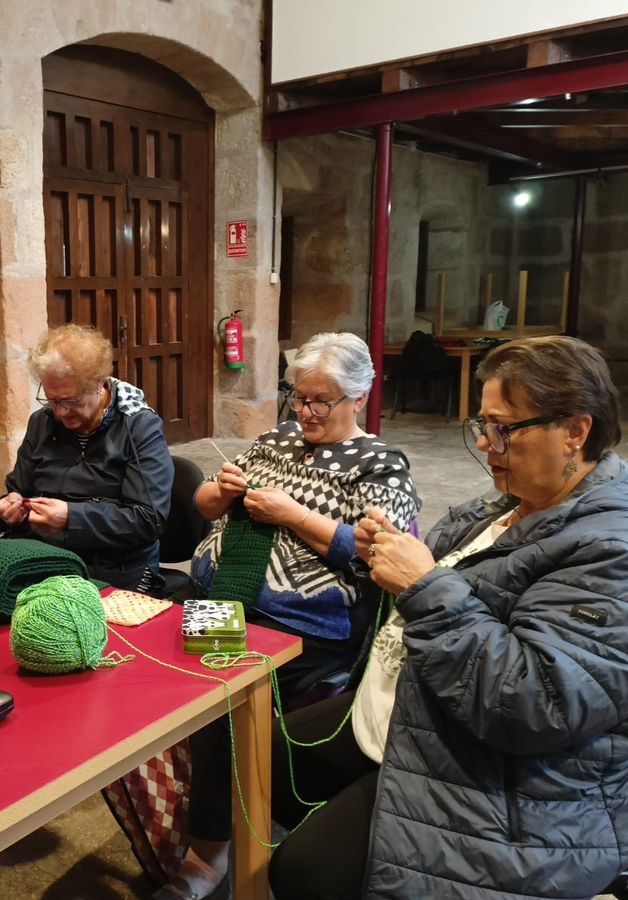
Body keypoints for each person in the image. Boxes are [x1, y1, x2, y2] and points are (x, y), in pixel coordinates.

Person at [267, 335, 628, 900]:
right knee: (258, 757)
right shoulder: (508, 505)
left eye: (503, 428)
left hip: (529, 790)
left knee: (305, 871)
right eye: (482, 424)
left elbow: (536, 704)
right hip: (428, 712)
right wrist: (386, 559)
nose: (485, 442)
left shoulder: (625, 558)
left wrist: (422, 586)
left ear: (574, 430)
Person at [160, 332, 420, 900]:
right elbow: (203, 506)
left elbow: (381, 557)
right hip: (222, 598)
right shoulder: (276, 439)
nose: (306, 412)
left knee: (214, 691)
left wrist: (294, 515)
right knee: (154, 658)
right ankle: (168, 806)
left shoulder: (380, 465)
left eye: (321, 401)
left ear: (359, 397)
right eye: (299, 397)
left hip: (304, 626)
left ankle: (210, 852)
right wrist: (220, 492)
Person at [0, 323, 173, 591]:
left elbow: (148, 521)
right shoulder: (42, 422)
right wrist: (13, 508)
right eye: (52, 400)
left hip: (114, 567)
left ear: (99, 384)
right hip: (45, 553)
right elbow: (18, 489)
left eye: (70, 400)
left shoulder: (138, 426)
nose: (60, 412)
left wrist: (71, 517)